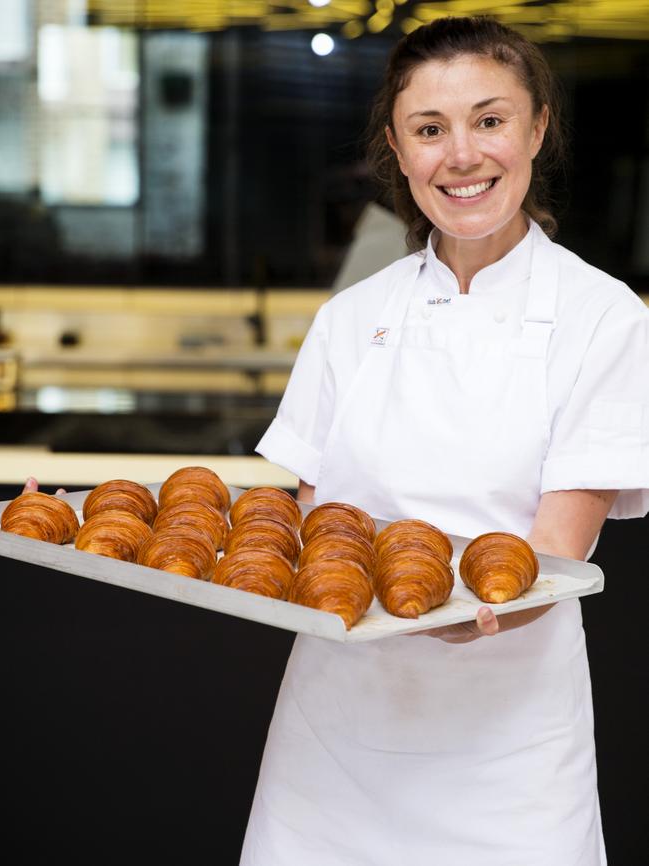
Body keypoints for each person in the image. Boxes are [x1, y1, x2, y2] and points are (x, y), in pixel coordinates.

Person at [241, 16, 649, 865]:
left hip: (511, 758)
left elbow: (551, 552)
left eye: (490, 120)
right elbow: (318, 531)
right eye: (430, 130)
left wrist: (462, 605)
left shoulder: (603, 318)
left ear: (538, 127)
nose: (461, 156)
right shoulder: (352, 318)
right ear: (397, 148)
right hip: (334, 745)